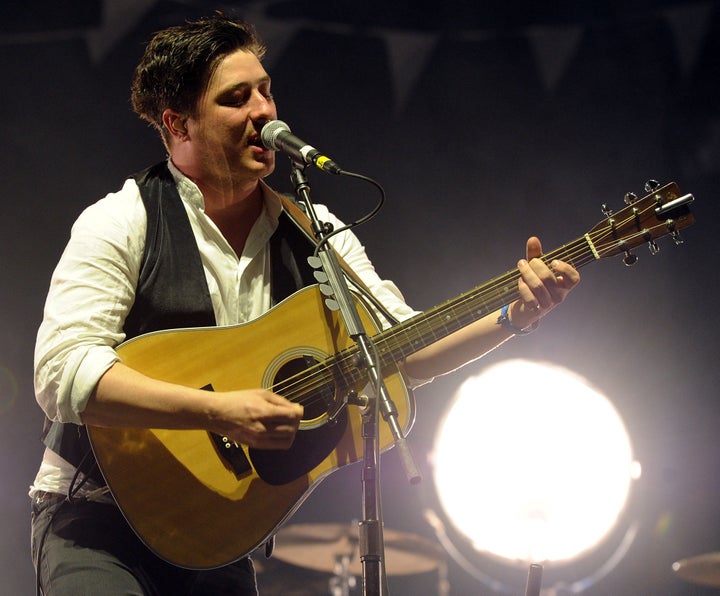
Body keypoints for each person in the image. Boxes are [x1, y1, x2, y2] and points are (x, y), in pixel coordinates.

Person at [29, 14, 580, 596]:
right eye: (236, 99)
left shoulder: (317, 232)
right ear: (177, 124)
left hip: (223, 528)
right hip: (96, 518)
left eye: (265, 91)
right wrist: (215, 412)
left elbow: (401, 345)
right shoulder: (122, 220)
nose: (264, 112)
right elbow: (61, 371)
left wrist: (511, 320)